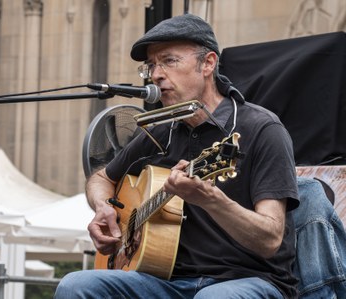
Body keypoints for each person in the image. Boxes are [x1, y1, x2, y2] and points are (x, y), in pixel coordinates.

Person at [55, 13, 300, 299]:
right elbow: (101, 177)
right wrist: (103, 207)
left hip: (249, 278)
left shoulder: (261, 129)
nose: (156, 74)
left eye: (169, 61)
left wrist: (211, 200)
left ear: (208, 63)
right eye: (151, 65)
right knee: (75, 286)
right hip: (166, 280)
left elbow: (270, 238)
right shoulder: (160, 132)